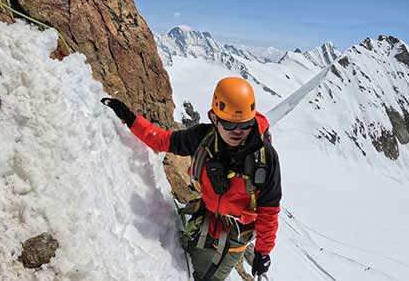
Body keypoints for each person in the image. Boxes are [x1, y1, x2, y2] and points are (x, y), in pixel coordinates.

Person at [102, 77, 281, 281]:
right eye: (230, 125)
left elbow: (269, 211)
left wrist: (262, 253)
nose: (239, 132)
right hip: (207, 214)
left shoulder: (265, 158)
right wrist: (130, 119)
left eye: (246, 124)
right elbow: (161, 140)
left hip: (235, 234)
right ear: (214, 118)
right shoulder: (202, 138)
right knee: (185, 252)